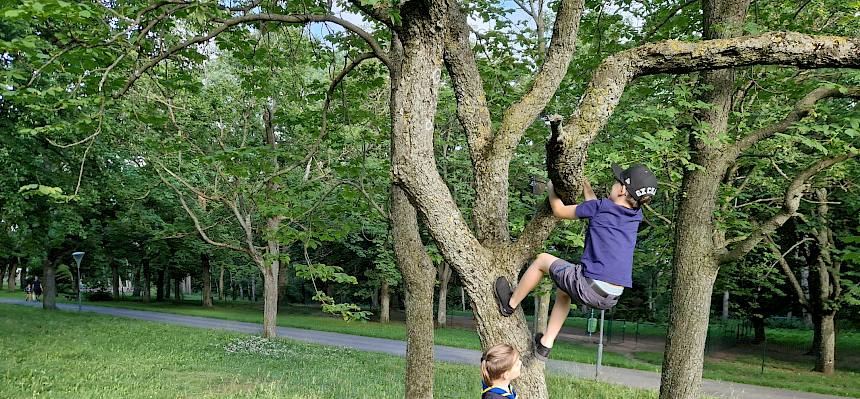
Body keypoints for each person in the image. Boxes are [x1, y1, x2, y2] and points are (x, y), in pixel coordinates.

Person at [494, 164, 657, 361]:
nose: (614, 185)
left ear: (622, 190)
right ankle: (545, 345)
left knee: (542, 260)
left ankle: (509, 304)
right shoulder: (635, 216)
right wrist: (585, 185)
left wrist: (551, 187)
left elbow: (559, 210)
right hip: (611, 296)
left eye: (617, 182)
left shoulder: (600, 208)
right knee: (564, 290)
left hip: (589, 285)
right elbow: (599, 207)